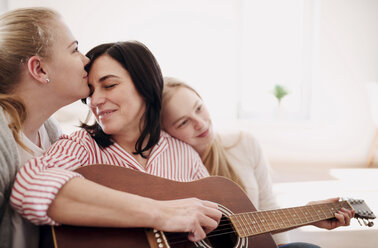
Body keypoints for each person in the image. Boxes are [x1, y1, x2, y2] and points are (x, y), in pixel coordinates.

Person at [10, 41, 222, 246]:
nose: (94, 101)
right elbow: (29, 183)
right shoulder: (82, 146)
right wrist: (160, 213)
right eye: (91, 91)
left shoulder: (184, 154)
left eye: (109, 85)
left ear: (145, 83)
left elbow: (217, 226)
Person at [160, 77, 355, 248]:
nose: (200, 123)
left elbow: (267, 204)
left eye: (199, 108)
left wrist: (303, 221)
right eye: (183, 122)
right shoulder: (166, 168)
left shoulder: (244, 143)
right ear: (164, 133)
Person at [0, 7, 90, 248]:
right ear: (39, 70)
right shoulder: (1, 139)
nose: (86, 60)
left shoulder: (50, 131)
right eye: (74, 49)